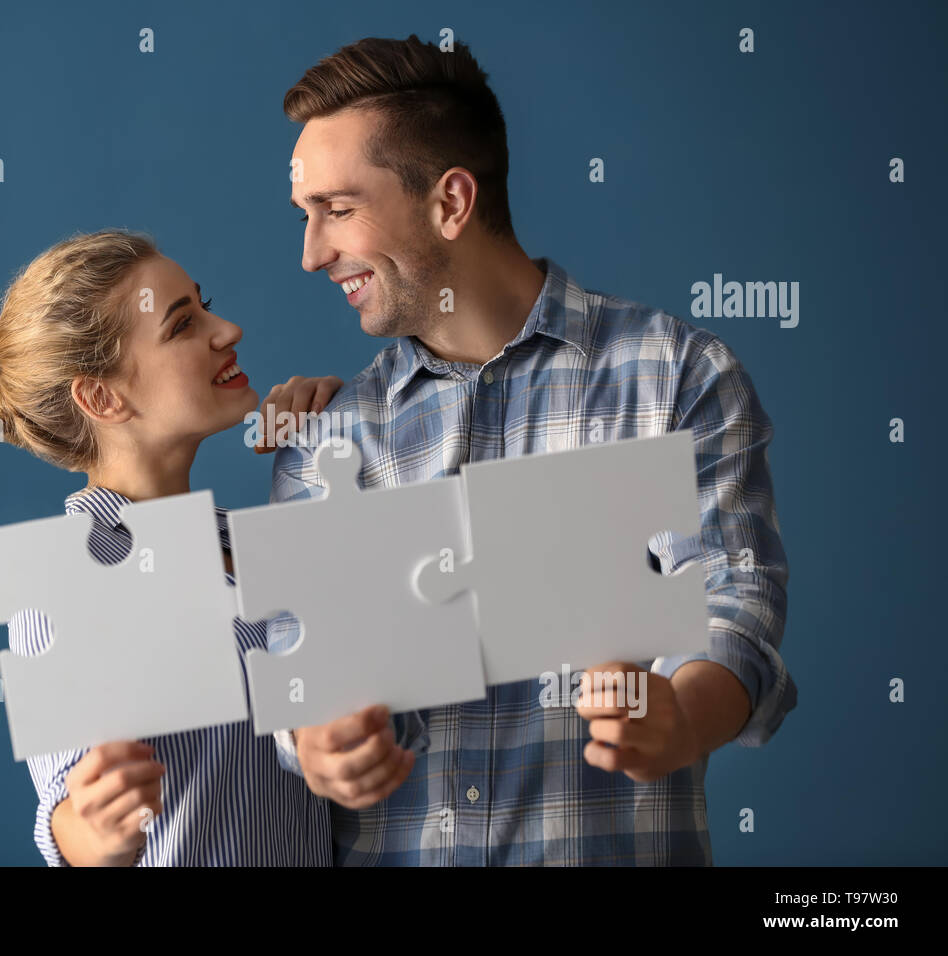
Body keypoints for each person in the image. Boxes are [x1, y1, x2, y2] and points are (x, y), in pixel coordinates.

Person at [269, 35, 798, 865]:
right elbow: (300, 661)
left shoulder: (675, 376)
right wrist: (316, 738)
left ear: (451, 202)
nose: (311, 254)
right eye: (306, 216)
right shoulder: (327, 438)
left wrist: (683, 717)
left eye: (337, 210)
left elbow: (734, 606)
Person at [0, 229, 339, 865]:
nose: (227, 329)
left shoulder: (252, 540)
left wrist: (333, 440)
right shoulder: (69, 577)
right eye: (182, 326)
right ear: (101, 396)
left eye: (205, 305)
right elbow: (68, 816)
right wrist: (94, 831)